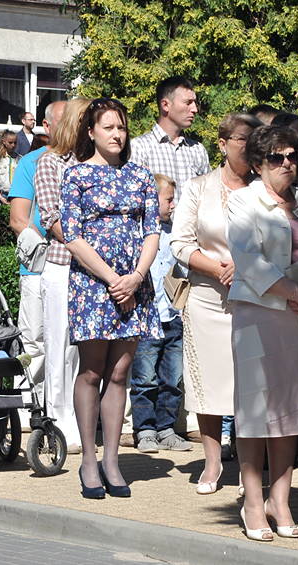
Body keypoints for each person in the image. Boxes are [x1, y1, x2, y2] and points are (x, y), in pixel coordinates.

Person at [226, 124, 298, 541]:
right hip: (258, 315)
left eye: (292, 156)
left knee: (291, 410)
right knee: (256, 410)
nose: (287, 163)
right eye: (277, 157)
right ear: (258, 164)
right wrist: (294, 291)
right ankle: (253, 502)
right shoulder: (243, 200)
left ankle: (281, 499)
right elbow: (248, 259)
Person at [60, 97, 161, 499]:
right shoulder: (76, 176)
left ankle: (113, 460)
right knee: (92, 370)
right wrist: (111, 278)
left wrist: (134, 278)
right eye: (108, 127)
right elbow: (71, 235)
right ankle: (88, 458)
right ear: (91, 132)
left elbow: (152, 230)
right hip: (92, 284)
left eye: (121, 127)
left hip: (134, 285)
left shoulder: (140, 176)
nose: (117, 134)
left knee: (120, 373)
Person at [170, 113, 262, 491]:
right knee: (207, 383)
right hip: (207, 297)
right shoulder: (197, 187)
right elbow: (180, 242)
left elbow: (278, 240)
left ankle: (250, 466)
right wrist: (215, 268)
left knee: (252, 384)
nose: (250, 146)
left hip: (255, 297)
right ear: (222, 143)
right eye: (243, 139)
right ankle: (211, 463)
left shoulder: (264, 189)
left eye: (256, 139)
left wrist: (243, 267)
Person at [35, 97, 92, 453]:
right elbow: (53, 221)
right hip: (62, 265)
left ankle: (83, 420)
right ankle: (57, 423)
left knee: (88, 352)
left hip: (94, 270)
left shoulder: (95, 164)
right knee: (60, 349)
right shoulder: (50, 163)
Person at [7, 100, 66, 433]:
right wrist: (47, 246)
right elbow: (18, 219)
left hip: (76, 267)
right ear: (47, 125)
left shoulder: (84, 163)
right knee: (35, 341)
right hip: (39, 267)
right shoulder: (30, 163)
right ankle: (28, 408)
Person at [129, 174, 192, 454]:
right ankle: (145, 430)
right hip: (147, 316)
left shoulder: (176, 232)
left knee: (173, 377)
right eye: (168, 199)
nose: (173, 205)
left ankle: (166, 428)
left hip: (173, 317)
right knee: (144, 378)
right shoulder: (140, 232)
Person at [132, 76, 211, 197]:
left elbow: (208, 198)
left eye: (194, 103)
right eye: (188, 103)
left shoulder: (197, 150)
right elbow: (134, 198)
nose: (194, 109)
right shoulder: (140, 148)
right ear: (165, 105)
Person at [0, 130, 19, 205]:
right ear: (4, 142)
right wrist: (0, 197)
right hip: (1, 195)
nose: (13, 145)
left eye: (15, 142)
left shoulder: (19, 158)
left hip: (15, 195)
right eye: (10, 143)